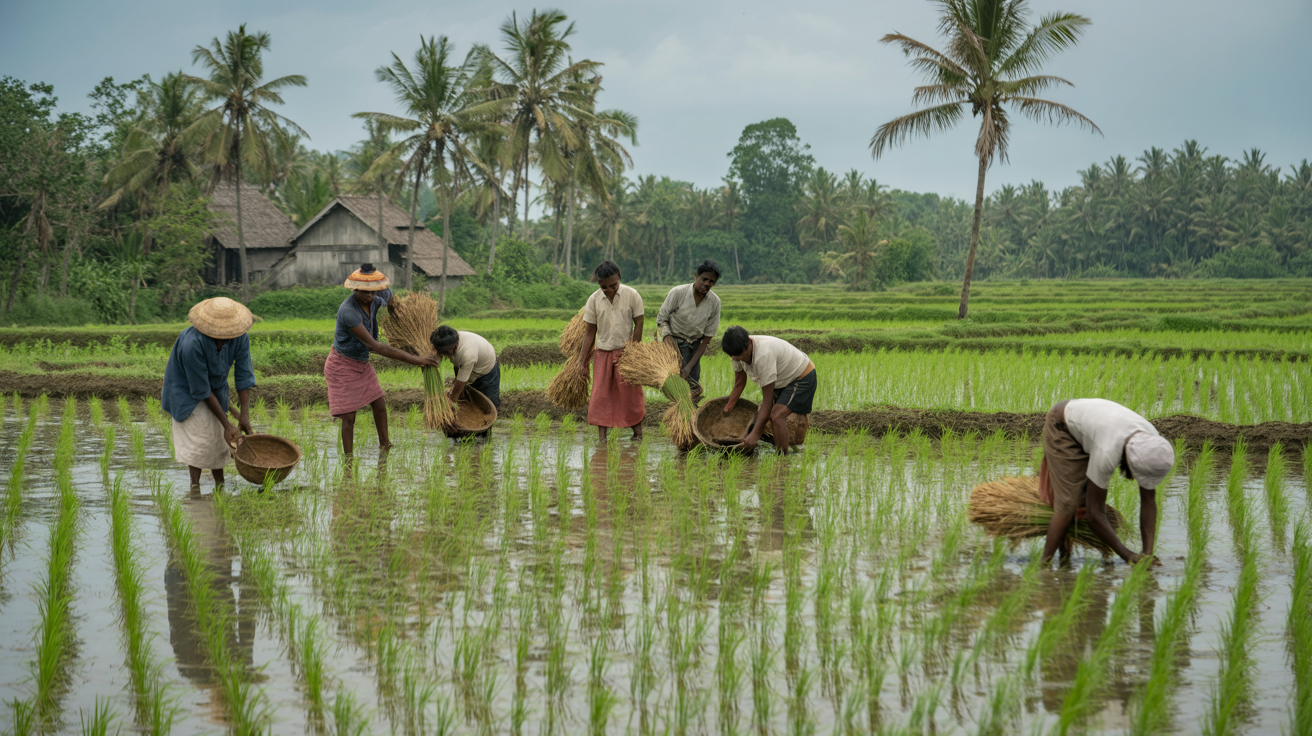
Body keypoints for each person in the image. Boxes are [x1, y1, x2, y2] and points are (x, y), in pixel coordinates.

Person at [1038, 398, 1175, 565]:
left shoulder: (1152, 446)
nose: (1137, 479)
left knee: (1080, 497)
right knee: (1068, 503)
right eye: (1136, 473)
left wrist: (1147, 554)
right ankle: (1043, 565)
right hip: (1062, 424)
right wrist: (1128, 555)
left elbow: (1148, 500)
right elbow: (1094, 513)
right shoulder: (1108, 452)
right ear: (1129, 460)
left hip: (1094, 427)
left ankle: (1064, 561)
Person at [325, 263, 438, 455]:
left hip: (361, 362)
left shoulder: (380, 294)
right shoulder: (349, 312)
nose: (370, 296)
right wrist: (418, 360)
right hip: (342, 364)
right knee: (349, 416)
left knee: (379, 404)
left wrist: (407, 327)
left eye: (373, 292)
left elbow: (395, 307)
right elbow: (374, 346)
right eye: (365, 292)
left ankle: (385, 445)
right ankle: (348, 459)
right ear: (355, 288)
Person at [161, 297, 256, 488]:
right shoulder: (192, 344)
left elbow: (243, 374)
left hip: (216, 388)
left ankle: (219, 485)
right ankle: (194, 487)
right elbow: (201, 389)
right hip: (185, 391)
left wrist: (243, 414)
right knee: (199, 439)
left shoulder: (239, 336)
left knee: (218, 439)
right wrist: (228, 424)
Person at [576, 260, 645, 441]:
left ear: (619, 278)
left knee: (630, 393)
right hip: (602, 353)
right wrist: (582, 361)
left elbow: (639, 324)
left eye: (613, 285)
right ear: (599, 284)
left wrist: (632, 352)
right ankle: (602, 439)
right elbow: (590, 333)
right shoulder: (594, 299)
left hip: (626, 353)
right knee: (601, 395)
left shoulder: (632, 295)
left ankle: (637, 434)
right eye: (604, 287)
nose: (610, 290)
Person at [721, 326, 816, 454]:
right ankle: (781, 446)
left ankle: (782, 459)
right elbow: (739, 382)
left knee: (777, 415)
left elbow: (767, 400)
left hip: (801, 376)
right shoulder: (736, 353)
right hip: (781, 378)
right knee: (760, 419)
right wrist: (728, 406)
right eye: (734, 357)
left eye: (741, 356)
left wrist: (755, 435)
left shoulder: (763, 355)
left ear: (748, 343)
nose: (738, 359)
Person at [656, 259, 722, 401]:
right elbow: (661, 319)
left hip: (694, 348)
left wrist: (689, 367)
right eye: (704, 279)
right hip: (673, 344)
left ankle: (689, 419)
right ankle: (676, 417)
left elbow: (706, 339)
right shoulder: (678, 292)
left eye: (711, 281)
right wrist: (668, 340)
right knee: (674, 389)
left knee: (692, 391)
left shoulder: (715, 302)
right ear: (696, 276)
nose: (707, 284)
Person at [430, 325, 501, 409]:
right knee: (471, 398)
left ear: (455, 345)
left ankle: (493, 418)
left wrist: (452, 400)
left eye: (445, 352)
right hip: (472, 365)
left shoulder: (468, 354)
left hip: (487, 369)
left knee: (489, 402)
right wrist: (455, 388)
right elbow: (457, 367)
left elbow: (462, 380)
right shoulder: (450, 340)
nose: (443, 354)